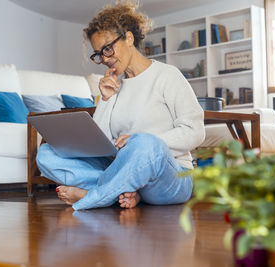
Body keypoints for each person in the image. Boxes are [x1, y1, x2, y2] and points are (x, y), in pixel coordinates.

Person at [36, 1, 205, 210]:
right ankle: (124, 193)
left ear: (129, 38)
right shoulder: (114, 85)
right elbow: (97, 146)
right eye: (98, 54)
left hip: (171, 176)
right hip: (122, 170)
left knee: (145, 143)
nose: (105, 59)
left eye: (108, 49)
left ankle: (94, 197)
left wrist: (140, 142)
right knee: (46, 153)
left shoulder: (167, 76)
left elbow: (195, 132)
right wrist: (106, 100)